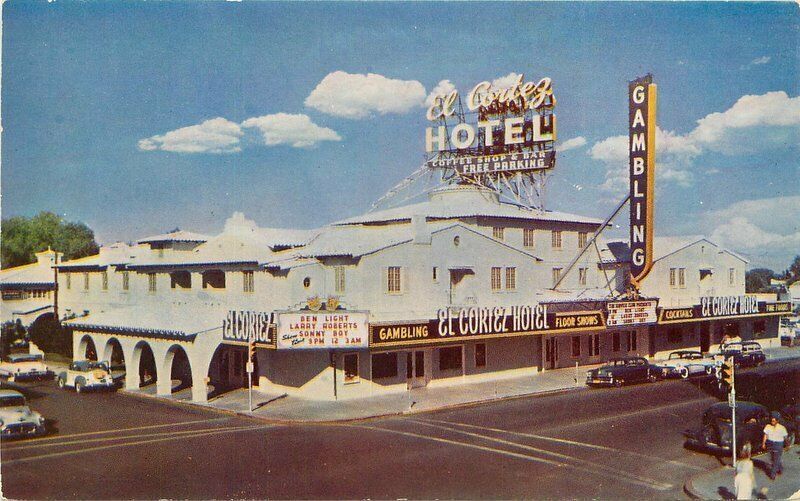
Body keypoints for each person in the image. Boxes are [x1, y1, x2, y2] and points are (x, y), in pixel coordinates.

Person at [762, 412, 789, 480]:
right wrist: (763, 443)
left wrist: (787, 445)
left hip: (778, 444)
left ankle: (773, 474)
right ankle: (780, 468)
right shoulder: (768, 426)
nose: (772, 422)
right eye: (771, 420)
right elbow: (765, 435)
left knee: (776, 459)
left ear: (777, 420)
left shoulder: (782, 428)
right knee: (772, 459)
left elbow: (785, 438)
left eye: (774, 421)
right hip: (770, 443)